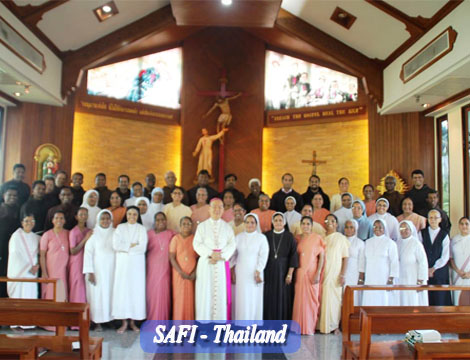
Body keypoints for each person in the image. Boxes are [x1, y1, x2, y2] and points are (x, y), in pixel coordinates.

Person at [193, 198, 236, 321]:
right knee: (205, 293)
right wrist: (210, 254)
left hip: (221, 264)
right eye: (214, 207)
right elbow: (197, 244)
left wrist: (222, 255)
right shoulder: (202, 226)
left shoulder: (227, 227)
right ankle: (204, 325)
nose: (217, 210)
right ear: (209, 209)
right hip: (207, 264)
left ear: (223, 209)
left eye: (220, 207)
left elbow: (232, 244)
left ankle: (219, 325)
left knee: (220, 293)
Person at [112, 206, 148, 333]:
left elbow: (142, 248)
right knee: (122, 292)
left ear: (138, 216)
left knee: (135, 292)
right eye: (129, 214)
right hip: (122, 265)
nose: (132, 216)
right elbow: (116, 245)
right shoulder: (120, 228)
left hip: (137, 266)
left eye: (134, 214)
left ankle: (133, 323)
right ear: (126, 215)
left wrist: (126, 248)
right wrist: (132, 245)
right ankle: (123, 323)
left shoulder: (141, 229)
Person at [231, 213, 269, 320]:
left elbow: (263, 256)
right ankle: (241, 322)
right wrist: (232, 269)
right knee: (241, 297)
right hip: (241, 271)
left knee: (253, 297)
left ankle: (253, 322)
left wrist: (258, 270)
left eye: (252, 222)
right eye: (247, 222)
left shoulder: (261, 238)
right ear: (244, 223)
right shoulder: (238, 237)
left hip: (255, 271)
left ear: (256, 224)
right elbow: (234, 255)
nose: (250, 224)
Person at [83, 210, 115, 331]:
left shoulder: (116, 233)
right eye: (103, 218)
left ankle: (109, 320)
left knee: (110, 295)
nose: (105, 221)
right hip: (97, 272)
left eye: (108, 218)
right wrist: (90, 272)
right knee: (97, 296)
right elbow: (88, 254)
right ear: (98, 220)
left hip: (112, 271)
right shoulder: (94, 235)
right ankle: (97, 322)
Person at [292, 216, 325, 335]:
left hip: (312, 273)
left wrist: (318, 273)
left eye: (308, 224)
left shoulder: (317, 238)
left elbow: (321, 256)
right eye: (303, 224)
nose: (305, 226)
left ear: (312, 226)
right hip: (300, 273)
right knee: (299, 300)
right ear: (300, 225)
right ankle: (298, 327)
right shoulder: (297, 239)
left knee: (312, 301)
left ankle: (309, 328)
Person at [263, 212, 298, 320]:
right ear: (272, 222)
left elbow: (293, 256)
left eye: (280, 220)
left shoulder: (289, 236)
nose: (278, 222)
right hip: (269, 270)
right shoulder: (266, 236)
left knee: (283, 296)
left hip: (284, 271)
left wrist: (290, 274)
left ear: (284, 222)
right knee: (269, 296)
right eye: (276, 220)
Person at [319, 214, 349, 334]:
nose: (329, 223)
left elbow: (345, 257)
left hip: (335, 273)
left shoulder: (340, 238)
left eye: (332, 221)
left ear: (336, 224)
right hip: (323, 272)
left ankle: (334, 325)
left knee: (335, 300)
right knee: (322, 298)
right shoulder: (321, 238)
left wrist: (342, 274)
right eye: (327, 220)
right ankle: (321, 325)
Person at [358, 219, 399, 306]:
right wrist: (361, 277)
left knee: (383, 298)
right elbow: (363, 260)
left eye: (380, 227)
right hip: (370, 277)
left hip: (384, 277)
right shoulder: (367, 242)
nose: (377, 229)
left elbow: (394, 261)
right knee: (369, 297)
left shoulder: (390, 243)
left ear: (384, 229)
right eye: (375, 227)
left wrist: (391, 278)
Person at [7, 214, 40, 314]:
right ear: (22, 223)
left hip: (32, 273)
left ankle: (28, 323)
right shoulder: (16, 236)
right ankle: (16, 323)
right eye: (26, 221)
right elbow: (14, 254)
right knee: (18, 296)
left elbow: (40, 254)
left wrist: (37, 265)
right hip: (20, 272)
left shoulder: (36, 237)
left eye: (32, 221)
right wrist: (28, 267)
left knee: (30, 295)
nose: (29, 223)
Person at [419, 209, 452, 305]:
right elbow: (420, 253)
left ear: (440, 219)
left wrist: (433, 269)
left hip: (440, 272)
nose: (433, 220)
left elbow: (445, 256)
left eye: (435, 218)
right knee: (426, 298)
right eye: (431, 218)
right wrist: (426, 268)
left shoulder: (444, 235)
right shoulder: (422, 233)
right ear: (427, 219)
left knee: (440, 298)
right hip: (424, 270)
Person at [146, 212, 175, 320]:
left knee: (164, 293)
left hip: (166, 267)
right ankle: (152, 320)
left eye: (163, 219)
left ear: (166, 221)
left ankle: (163, 321)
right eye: (158, 220)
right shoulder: (148, 234)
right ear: (154, 222)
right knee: (152, 294)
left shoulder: (172, 233)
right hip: (152, 267)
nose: (161, 222)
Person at [170, 217, 198, 320]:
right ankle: (178, 326)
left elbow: (199, 257)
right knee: (179, 299)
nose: (186, 226)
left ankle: (189, 326)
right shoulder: (175, 239)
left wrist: (195, 272)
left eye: (188, 224)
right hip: (179, 274)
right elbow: (172, 257)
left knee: (190, 299)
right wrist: (180, 272)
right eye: (184, 224)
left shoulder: (195, 239)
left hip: (192, 275)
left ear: (192, 226)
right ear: (180, 226)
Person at [397, 220, 428, 306]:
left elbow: (423, 262)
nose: (404, 230)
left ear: (411, 230)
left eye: (407, 228)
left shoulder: (416, 243)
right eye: (402, 228)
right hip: (401, 277)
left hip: (413, 278)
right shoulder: (397, 243)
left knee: (413, 300)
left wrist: (420, 279)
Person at [40, 211, 69, 302]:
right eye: (56, 218)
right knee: (51, 289)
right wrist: (44, 271)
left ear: (64, 221)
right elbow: (42, 255)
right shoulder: (47, 235)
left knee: (63, 288)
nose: (59, 220)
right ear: (52, 220)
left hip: (64, 268)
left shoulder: (68, 233)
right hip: (51, 268)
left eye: (61, 218)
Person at [0, 188, 21, 296]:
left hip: (13, 246)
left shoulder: (19, 209)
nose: (12, 197)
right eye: (10, 195)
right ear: (4, 196)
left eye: (15, 196)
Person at [68, 208, 91, 304]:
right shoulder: (73, 232)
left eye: (85, 214)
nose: (83, 217)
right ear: (76, 217)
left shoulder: (89, 230)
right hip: (77, 262)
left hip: (87, 261)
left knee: (87, 286)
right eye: (81, 215)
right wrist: (85, 239)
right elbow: (73, 251)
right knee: (77, 285)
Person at [343, 219, 364, 305]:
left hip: (354, 272)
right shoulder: (341, 240)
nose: (348, 229)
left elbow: (362, 260)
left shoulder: (360, 243)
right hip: (342, 271)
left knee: (353, 294)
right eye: (346, 227)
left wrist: (361, 277)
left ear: (355, 229)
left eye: (351, 227)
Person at [450, 217, 470, 305]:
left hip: (469, 275)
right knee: (457, 300)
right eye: (462, 224)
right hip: (457, 274)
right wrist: (458, 271)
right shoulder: (453, 240)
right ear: (458, 225)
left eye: (466, 224)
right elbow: (451, 258)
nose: (464, 226)